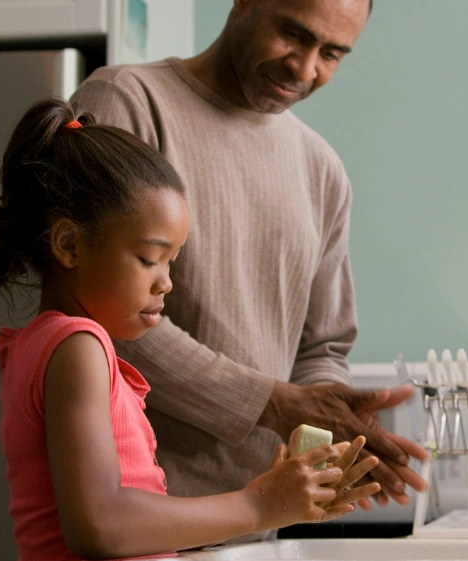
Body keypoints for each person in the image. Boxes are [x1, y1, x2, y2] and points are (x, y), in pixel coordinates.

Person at [0, 97, 381, 561]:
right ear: (68, 244)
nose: (166, 281)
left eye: (171, 260)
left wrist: (277, 500)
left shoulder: (44, 345)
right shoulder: (78, 347)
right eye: (149, 258)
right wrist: (257, 504)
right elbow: (100, 524)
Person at [70, 0, 429, 530]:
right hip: (138, 524)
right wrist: (275, 404)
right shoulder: (128, 102)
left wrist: (331, 426)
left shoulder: (321, 169)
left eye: (331, 54)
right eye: (293, 34)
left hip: (262, 526)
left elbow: (322, 346)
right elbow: (94, 309)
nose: (305, 69)